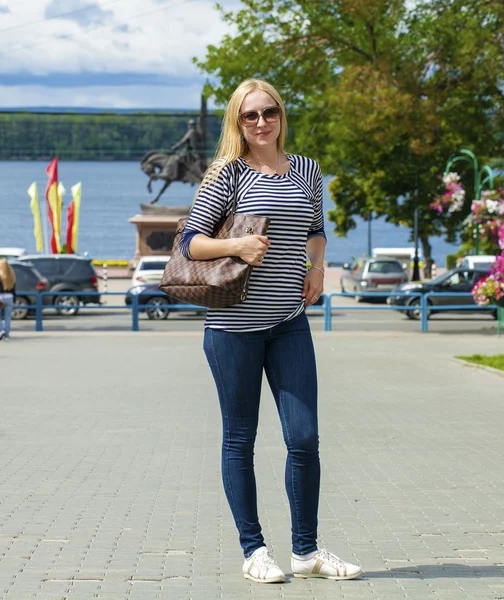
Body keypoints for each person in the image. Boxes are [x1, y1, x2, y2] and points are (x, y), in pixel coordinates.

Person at [179, 79, 362, 583]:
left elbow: (316, 229)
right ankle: (254, 550)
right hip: (233, 329)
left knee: (304, 437)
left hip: (289, 324)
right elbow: (190, 245)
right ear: (237, 122)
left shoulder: (306, 170)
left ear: (282, 115)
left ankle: (307, 551)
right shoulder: (227, 175)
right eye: (249, 115)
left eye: (270, 112)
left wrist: (317, 268)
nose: (261, 122)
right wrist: (235, 248)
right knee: (240, 438)